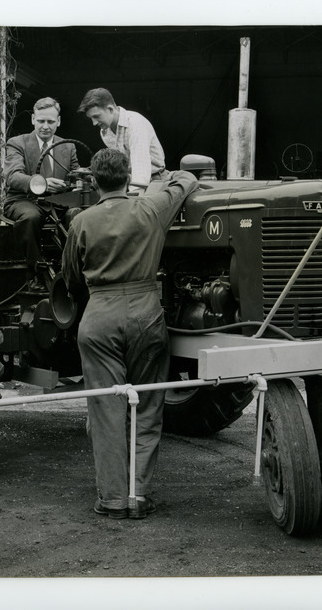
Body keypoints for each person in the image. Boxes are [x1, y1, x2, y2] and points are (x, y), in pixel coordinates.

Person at [61, 149, 198, 519]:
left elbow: (71, 278)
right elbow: (188, 181)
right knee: (149, 407)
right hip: (146, 313)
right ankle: (138, 496)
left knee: (107, 410)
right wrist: (166, 175)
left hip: (99, 316)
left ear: (94, 181)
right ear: (127, 177)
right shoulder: (152, 207)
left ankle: (113, 499)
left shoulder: (82, 222)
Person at [3, 97, 79, 292]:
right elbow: (13, 176)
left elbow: (75, 174)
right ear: (33, 120)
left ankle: (72, 272)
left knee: (77, 215)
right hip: (24, 200)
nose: (45, 126)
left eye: (51, 122)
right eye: (41, 121)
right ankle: (36, 274)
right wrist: (42, 184)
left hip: (58, 202)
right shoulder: (17, 143)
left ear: (58, 121)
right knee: (30, 217)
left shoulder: (67, 146)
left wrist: (78, 180)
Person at [77, 87, 168, 193]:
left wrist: (133, 198)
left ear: (110, 109)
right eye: (91, 118)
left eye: (97, 116)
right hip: (130, 182)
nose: (94, 123)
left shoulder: (135, 124)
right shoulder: (105, 131)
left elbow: (141, 170)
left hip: (154, 181)